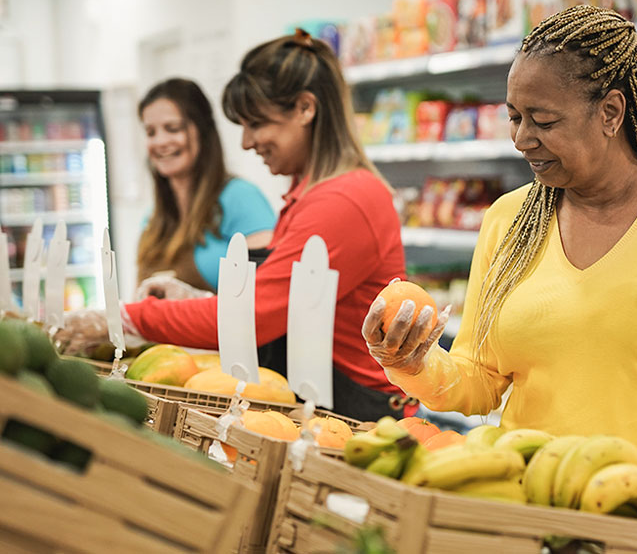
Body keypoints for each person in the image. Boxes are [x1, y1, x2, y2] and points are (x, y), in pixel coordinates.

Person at [362, 5, 637, 503]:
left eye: (543, 121)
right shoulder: (509, 222)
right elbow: (480, 381)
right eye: (514, 117)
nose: (521, 139)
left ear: (611, 113)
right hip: (526, 501)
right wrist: (411, 361)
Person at [60, 30, 410, 421]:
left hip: (359, 418)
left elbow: (254, 318)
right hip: (326, 405)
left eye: (257, 123)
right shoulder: (311, 195)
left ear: (305, 109)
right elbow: (284, 303)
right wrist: (193, 299)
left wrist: (125, 318)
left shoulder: (343, 200)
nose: (246, 142)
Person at [135, 78, 276, 296]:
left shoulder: (240, 198)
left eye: (173, 128)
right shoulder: (152, 220)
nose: (160, 141)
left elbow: (268, 294)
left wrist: (194, 301)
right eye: (151, 132)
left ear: (202, 131)